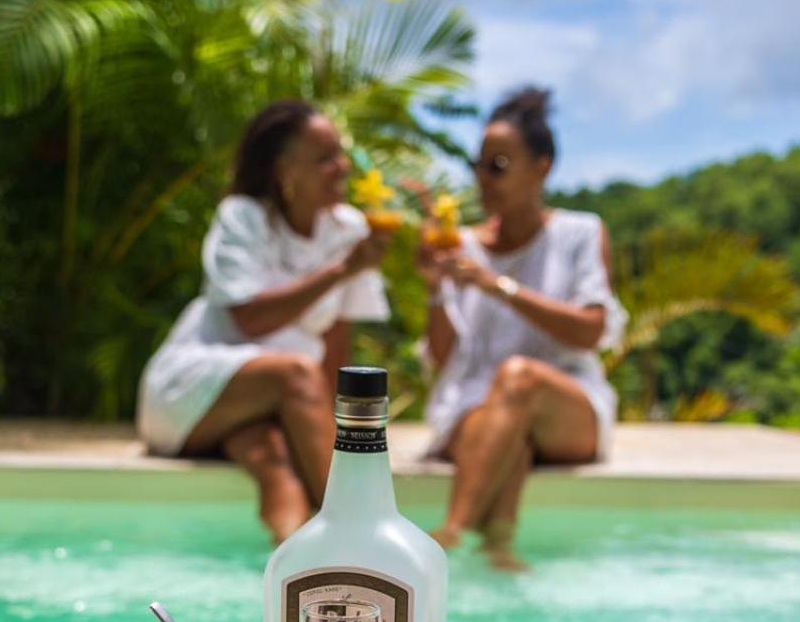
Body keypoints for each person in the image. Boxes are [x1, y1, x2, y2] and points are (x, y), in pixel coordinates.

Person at [137, 101, 391, 541]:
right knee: (293, 373)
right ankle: (362, 543)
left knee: (277, 469)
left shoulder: (349, 229)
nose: (342, 167)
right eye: (325, 158)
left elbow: (337, 346)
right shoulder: (242, 217)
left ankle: (285, 596)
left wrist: (325, 430)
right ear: (284, 170)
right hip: (195, 389)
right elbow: (250, 319)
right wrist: (339, 271)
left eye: (340, 153)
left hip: (277, 402)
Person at [419, 87, 626, 568]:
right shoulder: (460, 245)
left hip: (567, 405)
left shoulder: (580, 233)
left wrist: (497, 287)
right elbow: (444, 360)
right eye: (479, 165)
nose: (483, 179)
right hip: (476, 407)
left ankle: (450, 535)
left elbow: (591, 330)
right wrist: (434, 288)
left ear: (543, 166)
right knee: (510, 432)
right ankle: (499, 550)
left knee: (519, 378)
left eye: (499, 165)